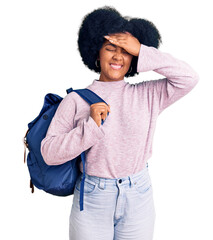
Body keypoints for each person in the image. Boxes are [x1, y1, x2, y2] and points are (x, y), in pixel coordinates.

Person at [40, 5, 199, 240]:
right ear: (96, 52)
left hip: (139, 195)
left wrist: (143, 51)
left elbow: (189, 77)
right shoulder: (75, 100)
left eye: (125, 51)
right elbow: (48, 153)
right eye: (110, 48)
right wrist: (90, 127)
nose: (118, 56)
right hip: (93, 198)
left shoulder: (148, 95)